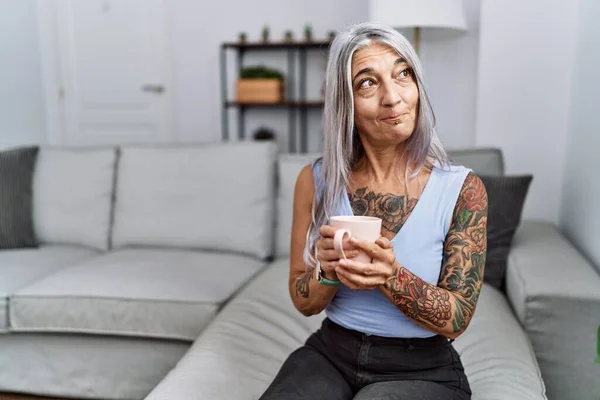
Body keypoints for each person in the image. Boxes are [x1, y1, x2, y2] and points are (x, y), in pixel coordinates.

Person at [260, 22, 487, 400]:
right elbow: (303, 301)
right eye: (368, 82)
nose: (393, 97)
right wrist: (328, 271)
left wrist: (390, 276)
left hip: (423, 368)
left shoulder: (463, 189)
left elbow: (457, 319)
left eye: (403, 74)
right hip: (331, 352)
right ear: (344, 102)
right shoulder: (314, 180)